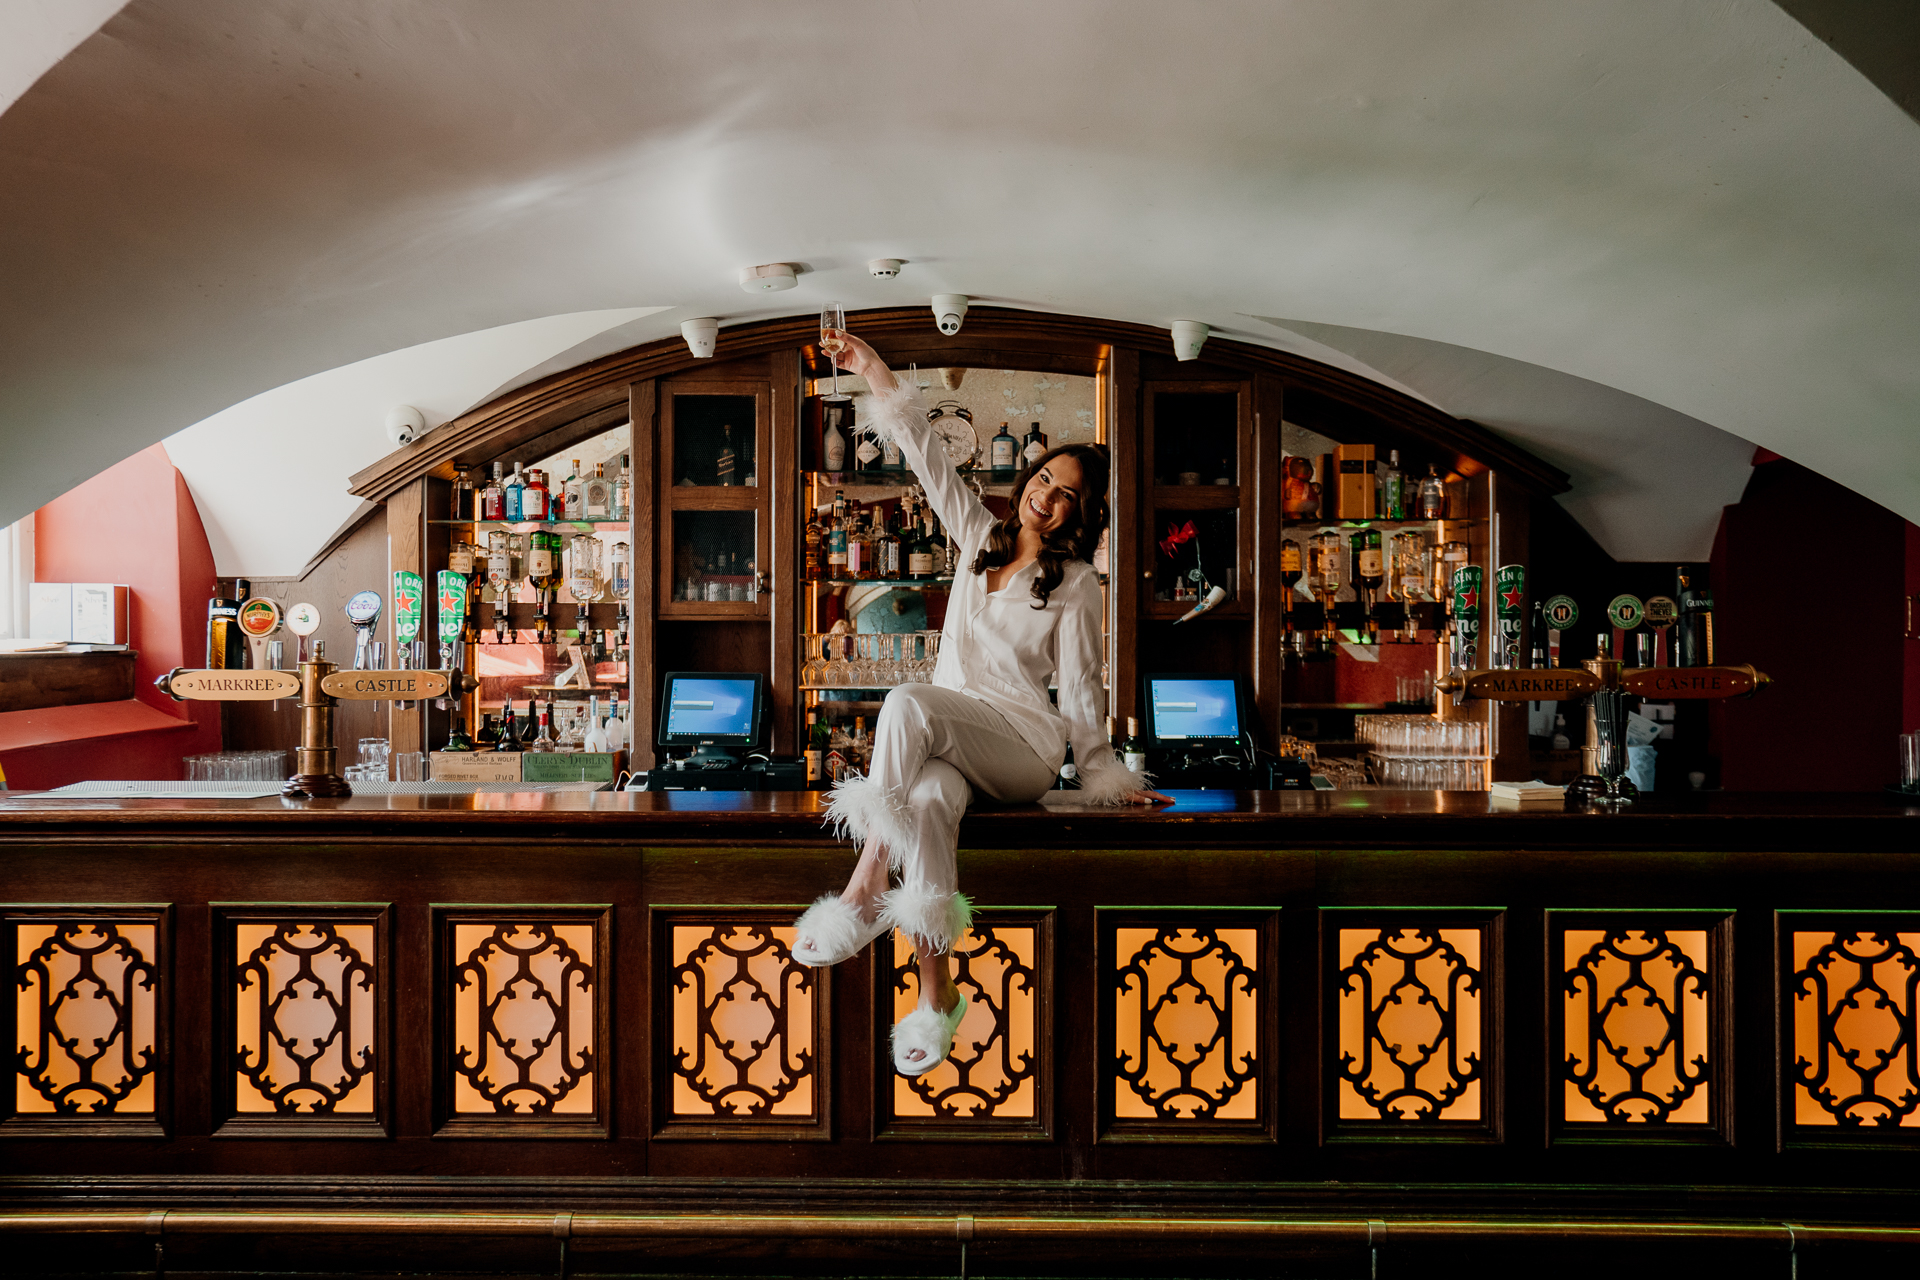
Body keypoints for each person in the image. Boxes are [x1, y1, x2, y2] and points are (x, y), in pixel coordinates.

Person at [792, 329, 1170, 1077]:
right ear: (1029, 477)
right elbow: (926, 452)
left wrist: (1102, 777)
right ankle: (937, 995)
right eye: (1045, 479)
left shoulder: (1077, 586)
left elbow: (1084, 686)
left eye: (1068, 495)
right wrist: (871, 368)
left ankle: (865, 883)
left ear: (1081, 513)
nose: (1048, 496)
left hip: (1024, 748)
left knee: (905, 702)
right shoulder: (978, 539)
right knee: (928, 802)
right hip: (951, 740)